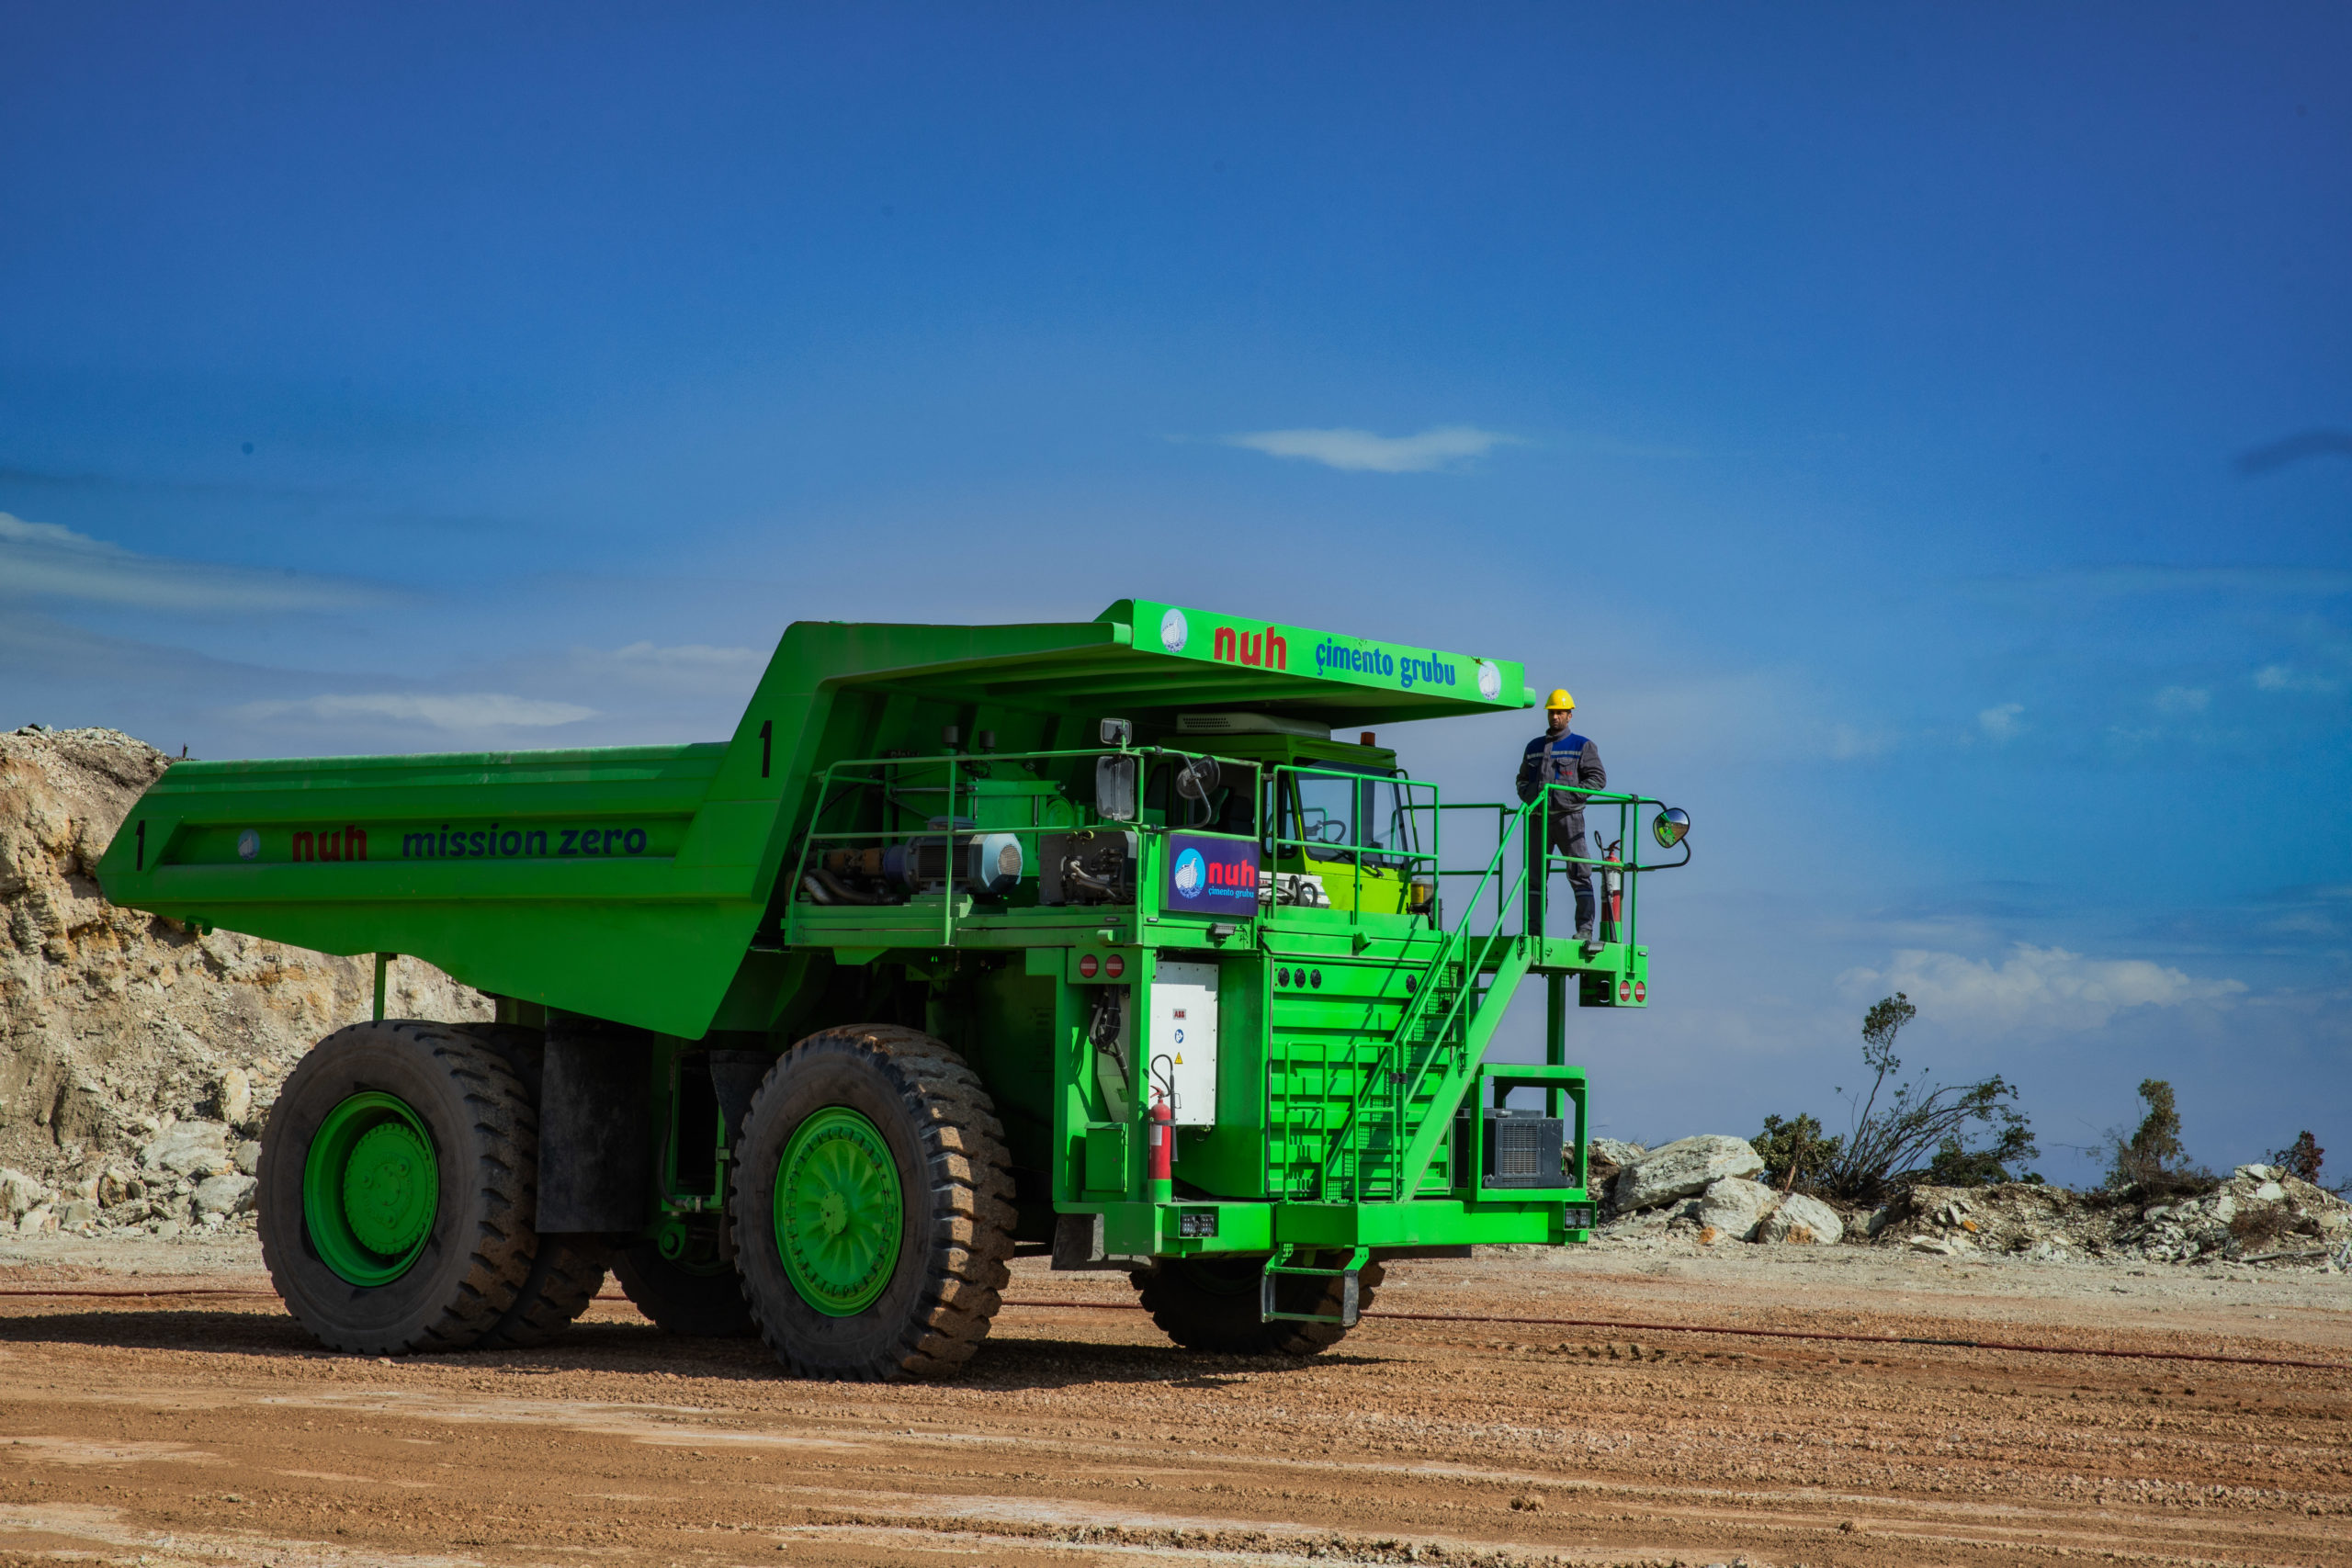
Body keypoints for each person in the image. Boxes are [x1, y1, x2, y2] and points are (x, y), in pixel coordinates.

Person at [1515, 688, 1607, 942]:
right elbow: (1521, 780)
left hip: (1569, 819)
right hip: (1538, 820)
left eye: (1559, 712)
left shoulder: (1581, 745)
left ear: (1569, 715)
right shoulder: (1533, 747)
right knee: (1534, 877)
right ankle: (1533, 932)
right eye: (1552, 712)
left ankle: (1585, 930)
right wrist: (1531, 797)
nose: (1554, 717)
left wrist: (1567, 797)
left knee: (1580, 873)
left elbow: (1597, 780)